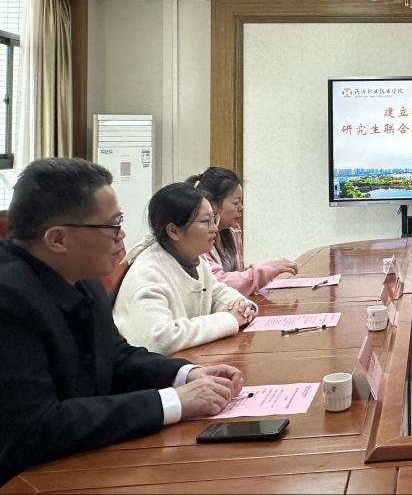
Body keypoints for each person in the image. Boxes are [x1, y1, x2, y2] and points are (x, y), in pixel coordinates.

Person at [0, 158, 243, 484]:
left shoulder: (83, 278)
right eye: (112, 225)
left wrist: (186, 374)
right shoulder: (8, 299)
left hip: (85, 463)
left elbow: (115, 357)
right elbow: (38, 428)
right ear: (58, 239)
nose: (122, 235)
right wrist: (172, 402)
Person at [113, 182, 259, 356]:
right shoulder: (148, 273)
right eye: (205, 221)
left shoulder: (195, 260)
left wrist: (242, 306)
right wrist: (229, 320)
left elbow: (219, 294)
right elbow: (161, 340)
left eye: (214, 219)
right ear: (174, 231)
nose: (214, 228)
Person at [187, 167, 297, 295]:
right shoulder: (200, 238)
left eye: (241, 202)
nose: (241, 207)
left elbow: (237, 276)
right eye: (235, 203)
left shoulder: (233, 231)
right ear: (212, 205)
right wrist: (267, 270)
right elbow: (218, 285)